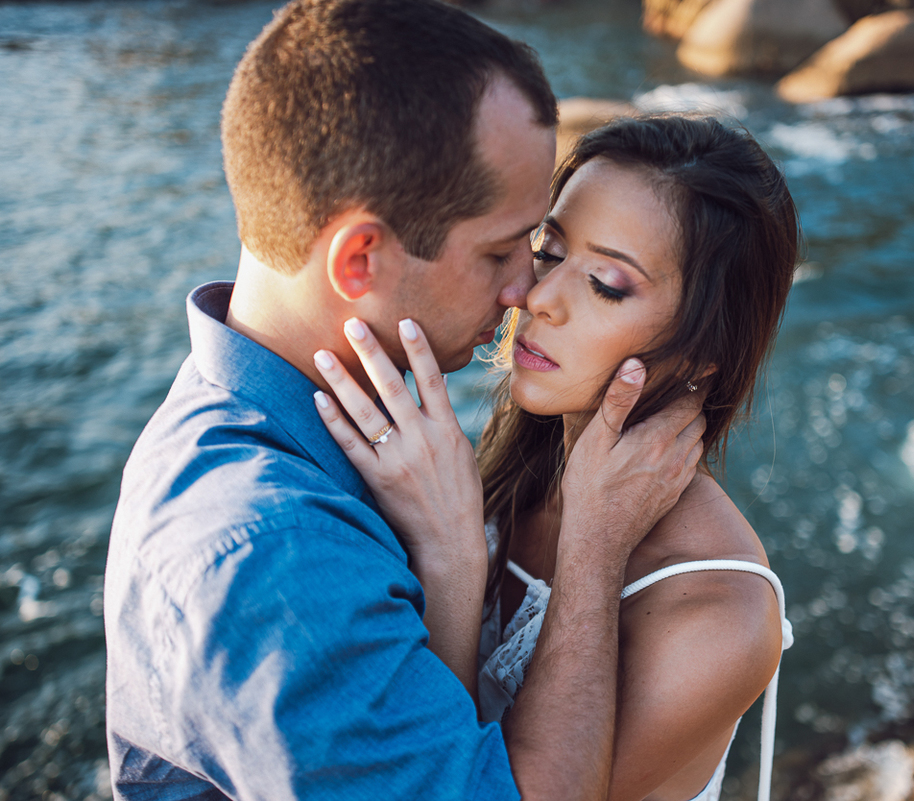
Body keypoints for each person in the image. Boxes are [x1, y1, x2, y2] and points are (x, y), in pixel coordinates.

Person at [103, 1, 704, 799]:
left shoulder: (307, 412)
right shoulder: (275, 554)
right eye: (500, 251)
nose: (527, 287)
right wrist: (593, 546)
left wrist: (455, 567)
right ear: (359, 259)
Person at [312, 115, 800, 801]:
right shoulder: (519, 461)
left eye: (604, 282)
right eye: (547, 250)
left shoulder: (719, 614)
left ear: (699, 353)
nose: (537, 298)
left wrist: (562, 553)